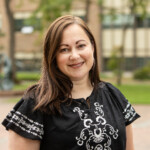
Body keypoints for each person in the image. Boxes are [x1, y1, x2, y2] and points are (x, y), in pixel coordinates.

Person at [2, 15, 140, 150]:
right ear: (53, 56)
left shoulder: (113, 95)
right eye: (64, 49)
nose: (74, 56)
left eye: (80, 46)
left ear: (92, 47)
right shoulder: (35, 105)